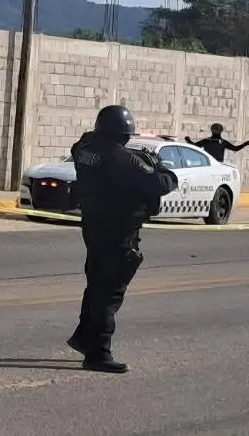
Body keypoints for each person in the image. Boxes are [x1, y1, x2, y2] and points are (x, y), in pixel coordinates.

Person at [68, 105, 178, 373]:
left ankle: (84, 338)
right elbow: (165, 183)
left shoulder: (84, 150)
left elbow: (81, 143)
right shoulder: (123, 160)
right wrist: (157, 165)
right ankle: (99, 353)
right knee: (109, 292)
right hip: (119, 232)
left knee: (95, 286)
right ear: (124, 135)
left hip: (94, 227)